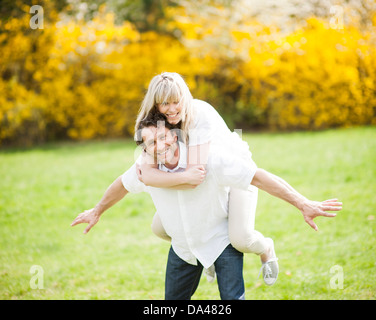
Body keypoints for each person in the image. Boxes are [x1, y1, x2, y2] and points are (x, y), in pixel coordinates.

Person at [71, 112, 342, 299]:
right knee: (159, 233)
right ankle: (203, 260)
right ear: (144, 148)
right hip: (184, 247)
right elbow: (121, 185)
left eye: (164, 137)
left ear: (175, 134)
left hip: (219, 237)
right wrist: (97, 211)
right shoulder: (144, 168)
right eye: (151, 142)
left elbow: (257, 176)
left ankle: (264, 248)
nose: (160, 144)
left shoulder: (208, 158)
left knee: (242, 240)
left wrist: (302, 202)